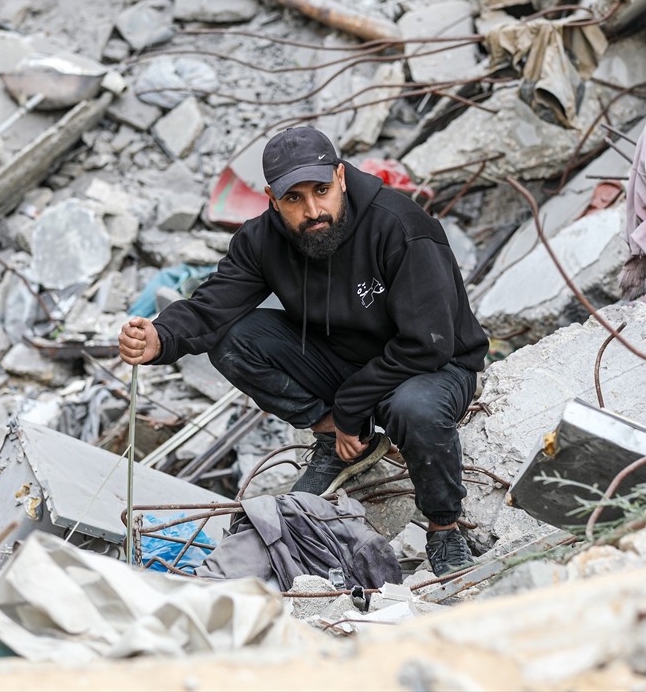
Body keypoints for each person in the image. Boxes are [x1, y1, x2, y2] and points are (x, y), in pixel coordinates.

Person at [118, 126, 488, 577]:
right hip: (345, 361)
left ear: (341, 178)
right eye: (294, 199)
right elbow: (212, 307)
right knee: (233, 339)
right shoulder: (263, 241)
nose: (313, 210)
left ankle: (444, 528)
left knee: (413, 409)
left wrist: (353, 405)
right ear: (273, 201)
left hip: (433, 365)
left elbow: (428, 343)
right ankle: (334, 435)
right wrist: (160, 337)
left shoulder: (401, 227)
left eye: (321, 191)